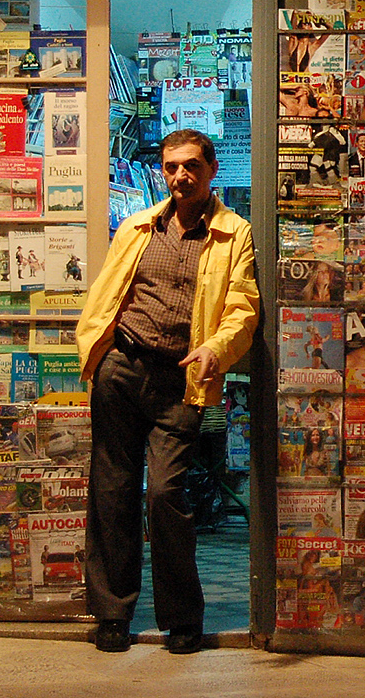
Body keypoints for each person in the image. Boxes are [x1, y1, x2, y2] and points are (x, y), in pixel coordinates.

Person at [75, 129, 258, 655]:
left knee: (164, 495)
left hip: (183, 380)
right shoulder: (135, 226)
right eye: (173, 166)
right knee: (112, 490)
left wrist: (217, 351)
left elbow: (243, 308)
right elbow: (110, 291)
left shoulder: (234, 232)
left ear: (211, 170)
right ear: (162, 171)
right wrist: (101, 351)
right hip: (123, 370)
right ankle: (112, 614)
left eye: (192, 165)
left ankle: (181, 618)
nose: (182, 175)